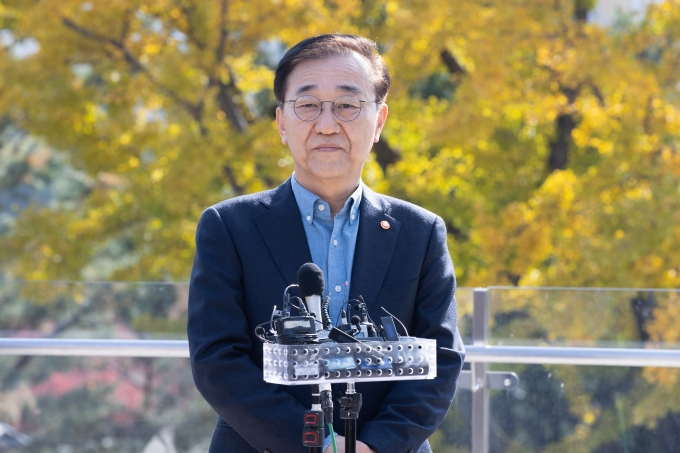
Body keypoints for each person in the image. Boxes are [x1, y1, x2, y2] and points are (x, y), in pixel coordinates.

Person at [188, 34, 465, 453]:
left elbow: (441, 358)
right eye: (308, 105)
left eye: (348, 105)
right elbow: (217, 362)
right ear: (282, 123)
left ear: (379, 121)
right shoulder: (228, 227)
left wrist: (375, 446)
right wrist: (320, 446)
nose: (328, 124)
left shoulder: (421, 232)